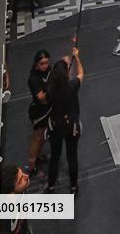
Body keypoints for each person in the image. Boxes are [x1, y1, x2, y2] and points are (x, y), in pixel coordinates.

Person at [45, 48, 83, 194]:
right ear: (67, 74)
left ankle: (51, 186)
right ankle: (73, 187)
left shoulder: (50, 90)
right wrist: (77, 58)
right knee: (72, 157)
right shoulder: (72, 86)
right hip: (71, 126)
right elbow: (81, 74)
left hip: (56, 126)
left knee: (55, 156)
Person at [26, 50, 51, 177]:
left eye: (47, 62)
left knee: (43, 137)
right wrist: (56, 90)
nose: (45, 66)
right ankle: (31, 167)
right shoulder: (34, 78)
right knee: (37, 138)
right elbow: (41, 97)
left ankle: (39, 156)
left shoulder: (49, 71)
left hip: (49, 109)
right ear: (36, 64)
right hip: (39, 112)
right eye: (42, 63)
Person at [0, 164, 31, 233]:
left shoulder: (21, 190)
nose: (27, 176)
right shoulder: (4, 223)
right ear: (11, 196)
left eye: (22, 173)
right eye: (20, 180)